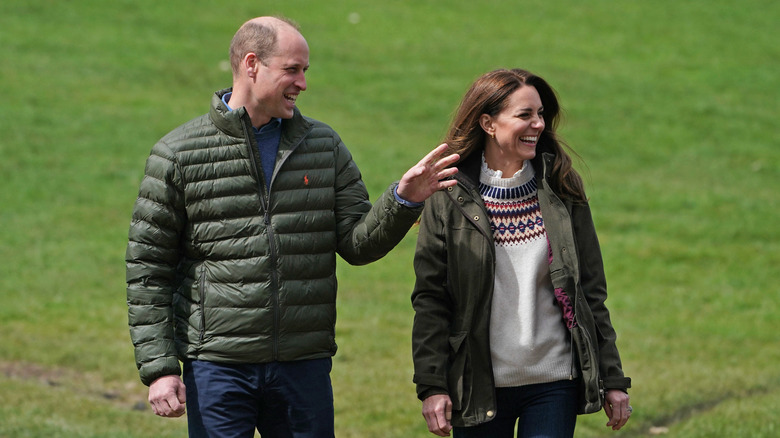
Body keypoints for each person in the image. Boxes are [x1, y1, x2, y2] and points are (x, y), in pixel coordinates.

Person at [125, 16, 459, 438]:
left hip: (304, 366)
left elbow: (357, 244)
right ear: (252, 65)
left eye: (305, 71)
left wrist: (403, 200)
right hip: (218, 366)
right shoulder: (178, 154)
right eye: (292, 69)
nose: (302, 83)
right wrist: (159, 369)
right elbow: (148, 270)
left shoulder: (324, 145)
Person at [410, 68, 632, 437]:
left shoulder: (562, 186)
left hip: (554, 381)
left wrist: (612, 376)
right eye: (525, 115)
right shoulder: (447, 194)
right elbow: (431, 299)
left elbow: (590, 291)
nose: (539, 124)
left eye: (541, 114)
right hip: (477, 384)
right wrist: (432, 386)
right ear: (488, 123)